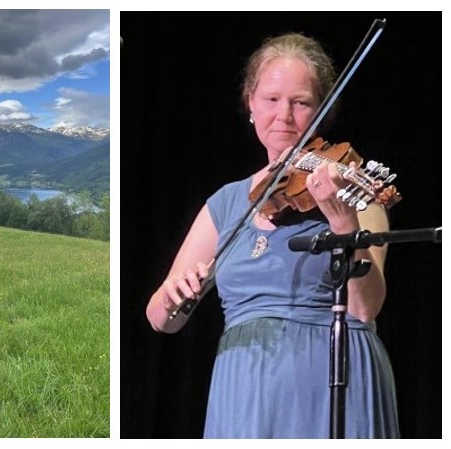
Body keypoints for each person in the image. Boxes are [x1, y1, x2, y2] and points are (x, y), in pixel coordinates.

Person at [145, 33, 399, 438]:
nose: (284, 115)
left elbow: (366, 308)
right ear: (250, 105)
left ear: (321, 111)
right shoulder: (227, 202)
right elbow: (161, 319)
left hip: (335, 378)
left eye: (301, 102)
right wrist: (176, 295)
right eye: (272, 99)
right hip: (242, 389)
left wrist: (344, 224)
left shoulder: (353, 193)